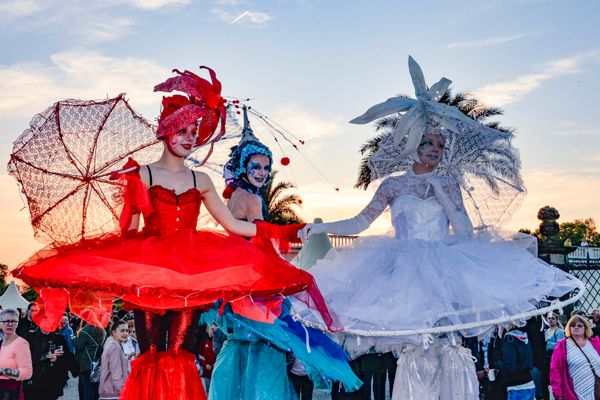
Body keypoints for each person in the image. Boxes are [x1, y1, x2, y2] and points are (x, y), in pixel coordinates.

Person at [12, 66, 336, 400]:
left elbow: (235, 226)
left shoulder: (201, 180)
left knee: (182, 354)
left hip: (191, 275)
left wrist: (290, 230)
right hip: (150, 273)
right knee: (151, 355)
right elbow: (129, 233)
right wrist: (131, 196)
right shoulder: (144, 174)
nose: (189, 137)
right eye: (182, 130)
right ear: (167, 131)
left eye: (194, 131)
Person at [297, 56, 584, 399]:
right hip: (402, 266)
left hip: (445, 265)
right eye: (427, 143)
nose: (434, 150)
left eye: (439, 145)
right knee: (416, 345)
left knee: (448, 341)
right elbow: (361, 221)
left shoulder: (448, 184)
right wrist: (321, 227)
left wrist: (440, 191)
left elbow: (463, 232)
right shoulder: (392, 185)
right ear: (412, 145)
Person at [209, 107, 361, 400]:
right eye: (256, 167)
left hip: (243, 283)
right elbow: (263, 236)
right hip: (257, 282)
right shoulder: (251, 198)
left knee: (248, 345)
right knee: (271, 344)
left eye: (266, 168)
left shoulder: (238, 197)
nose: (262, 173)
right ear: (242, 167)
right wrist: (293, 231)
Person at [550, 315, 600, 400]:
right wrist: (557, 392)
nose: (576, 328)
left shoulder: (595, 342)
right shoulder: (562, 345)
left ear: (585, 328)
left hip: (596, 388)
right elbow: (555, 370)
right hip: (575, 391)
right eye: (572, 325)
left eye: (579, 325)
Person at [24, 326, 77, 400]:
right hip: (33, 382)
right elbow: (26, 358)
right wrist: (46, 355)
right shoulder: (30, 336)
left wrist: (57, 359)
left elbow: (67, 360)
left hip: (52, 383)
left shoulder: (59, 338)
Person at [0, 309, 33, 399]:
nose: (10, 324)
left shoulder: (21, 344)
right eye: (6, 321)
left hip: (11, 393)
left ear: (18, 323)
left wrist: (2, 371)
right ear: (0, 323)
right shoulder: (1, 342)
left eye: (14, 321)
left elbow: (27, 372)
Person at [99, 320, 129, 400]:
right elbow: (116, 376)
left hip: (109, 391)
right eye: (122, 331)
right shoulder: (114, 347)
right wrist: (125, 390)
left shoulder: (112, 345)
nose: (125, 333)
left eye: (127, 330)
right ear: (114, 332)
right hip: (113, 393)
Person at [76, 322, 105, 400]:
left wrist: (75, 338)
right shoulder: (101, 329)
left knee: (87, 387)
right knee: (95, 386)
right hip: (97, 361)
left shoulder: (84, 331)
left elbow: (79, 346)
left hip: (86, 363)